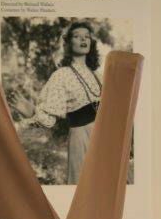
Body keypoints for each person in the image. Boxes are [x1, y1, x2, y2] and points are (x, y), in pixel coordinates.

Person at [15, 21, 103, 184]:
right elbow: (50, 117)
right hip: (82, 136)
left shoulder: (98, 75)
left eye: (87, 36)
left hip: (104, 135)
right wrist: (32, 112)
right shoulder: (61, 75)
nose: (83, 39)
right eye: (77, 36)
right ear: (68, 43)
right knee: (82, 184)